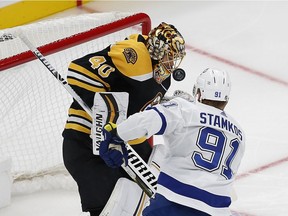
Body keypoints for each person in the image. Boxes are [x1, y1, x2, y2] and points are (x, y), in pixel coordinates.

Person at [62, 22, 186, 215]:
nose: (171, 64)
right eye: (169, 56)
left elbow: (140, 103)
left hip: (126, 144)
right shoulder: (134, 55)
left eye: (174, 58)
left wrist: (172, 105)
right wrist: (107, 113)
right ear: (155, 49)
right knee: (110, 209)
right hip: (84, 144)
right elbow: (78, 71)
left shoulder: (162, 76)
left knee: (145, 201)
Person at [100, 68, 245, 216]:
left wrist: (117, 132)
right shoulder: (239, 133)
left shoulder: (185, 109)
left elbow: (147, 120)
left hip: (175, 201)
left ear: (199, 92)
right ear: (226, 99)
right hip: (218, 210)